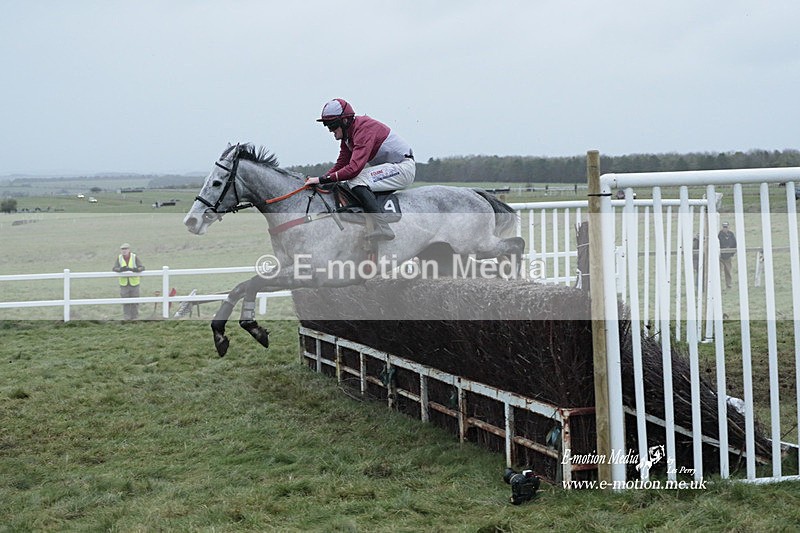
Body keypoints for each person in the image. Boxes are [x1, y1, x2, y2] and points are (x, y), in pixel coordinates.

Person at [305, 98, 415, 241]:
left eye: (332, 126)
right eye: (327, 126)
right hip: (392, 168)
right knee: (348, 182)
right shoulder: (348, 136)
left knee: (356, 179)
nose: (330, 130)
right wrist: (322, 181)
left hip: (403, 168)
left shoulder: (363, 129)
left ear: (344, 121)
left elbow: (354, 169)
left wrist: (321, 179)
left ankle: (383, 227)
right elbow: (341, 164)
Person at [112, 243, 145, 319]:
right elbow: (114, 268)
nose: (124, 251)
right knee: (125, 301)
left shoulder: (134, 257)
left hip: (134, 283)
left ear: (129, 250)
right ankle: (126, 317)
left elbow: (142, 267)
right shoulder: (119, 258)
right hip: (124, 284)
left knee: (135, 301)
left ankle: (135, 317)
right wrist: (121, 269)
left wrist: (135, 270)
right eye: (122, 249)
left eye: (125, 249)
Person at [718, 222, 736, 289]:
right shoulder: (719, 235)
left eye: (726, 227)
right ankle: (718, 286)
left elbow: (734, 243)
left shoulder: (731, 234)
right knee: (719, 271)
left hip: (728, 256)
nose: (725, 228)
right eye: (724, 227)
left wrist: (732, 253)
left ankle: (729, 285)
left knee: (728, 271)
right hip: (720, 256)